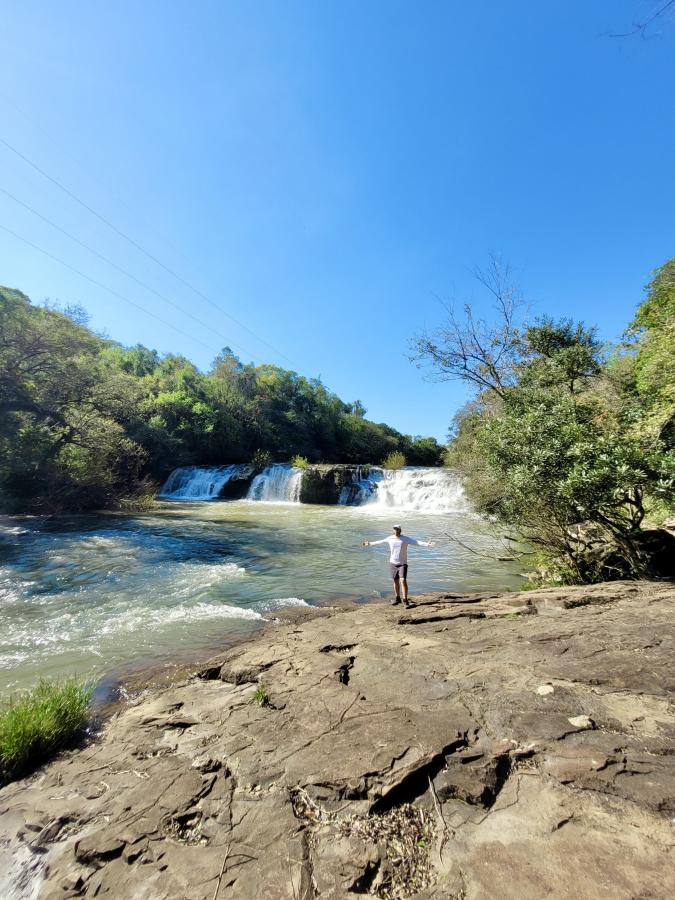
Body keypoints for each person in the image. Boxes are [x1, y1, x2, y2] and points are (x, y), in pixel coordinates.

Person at [362, 525, 435, 608]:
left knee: (403, 580)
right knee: (395, 581)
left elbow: (416, 542)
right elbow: (380, 542)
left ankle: (405, 600)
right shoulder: (390, 538)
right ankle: (397, 598)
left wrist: (427, 544)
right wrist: (369, 543)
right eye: (395, 529)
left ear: (400, 530)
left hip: (402, 563)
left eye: (397, 529)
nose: (396, 530)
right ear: (393, 530)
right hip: (393, 563)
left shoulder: (405, 538)